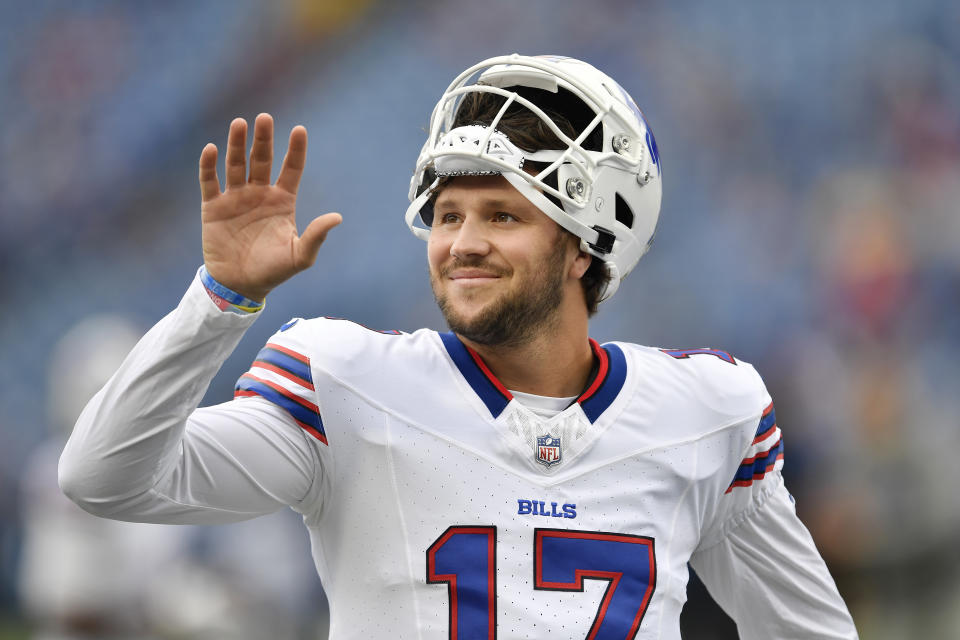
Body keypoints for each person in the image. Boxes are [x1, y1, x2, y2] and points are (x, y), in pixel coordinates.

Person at [59, 54, 858, 639]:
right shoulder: (345, 384)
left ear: (588, 244)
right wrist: (220, 301)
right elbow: (104, 479)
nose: (462, 243)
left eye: (503, 216)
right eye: (448, 215)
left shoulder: (706, 415)